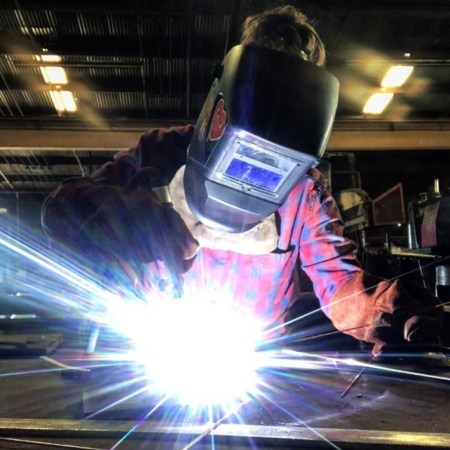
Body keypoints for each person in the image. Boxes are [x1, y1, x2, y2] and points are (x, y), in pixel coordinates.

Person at [41, 5, 443, 354]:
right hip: (161, 350)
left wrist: (386, 311)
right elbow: (62, 211)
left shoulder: (303, 192)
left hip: (251, 363)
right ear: (233, 84)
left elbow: (340, 286)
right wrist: (132, 220)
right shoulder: (163, 150)